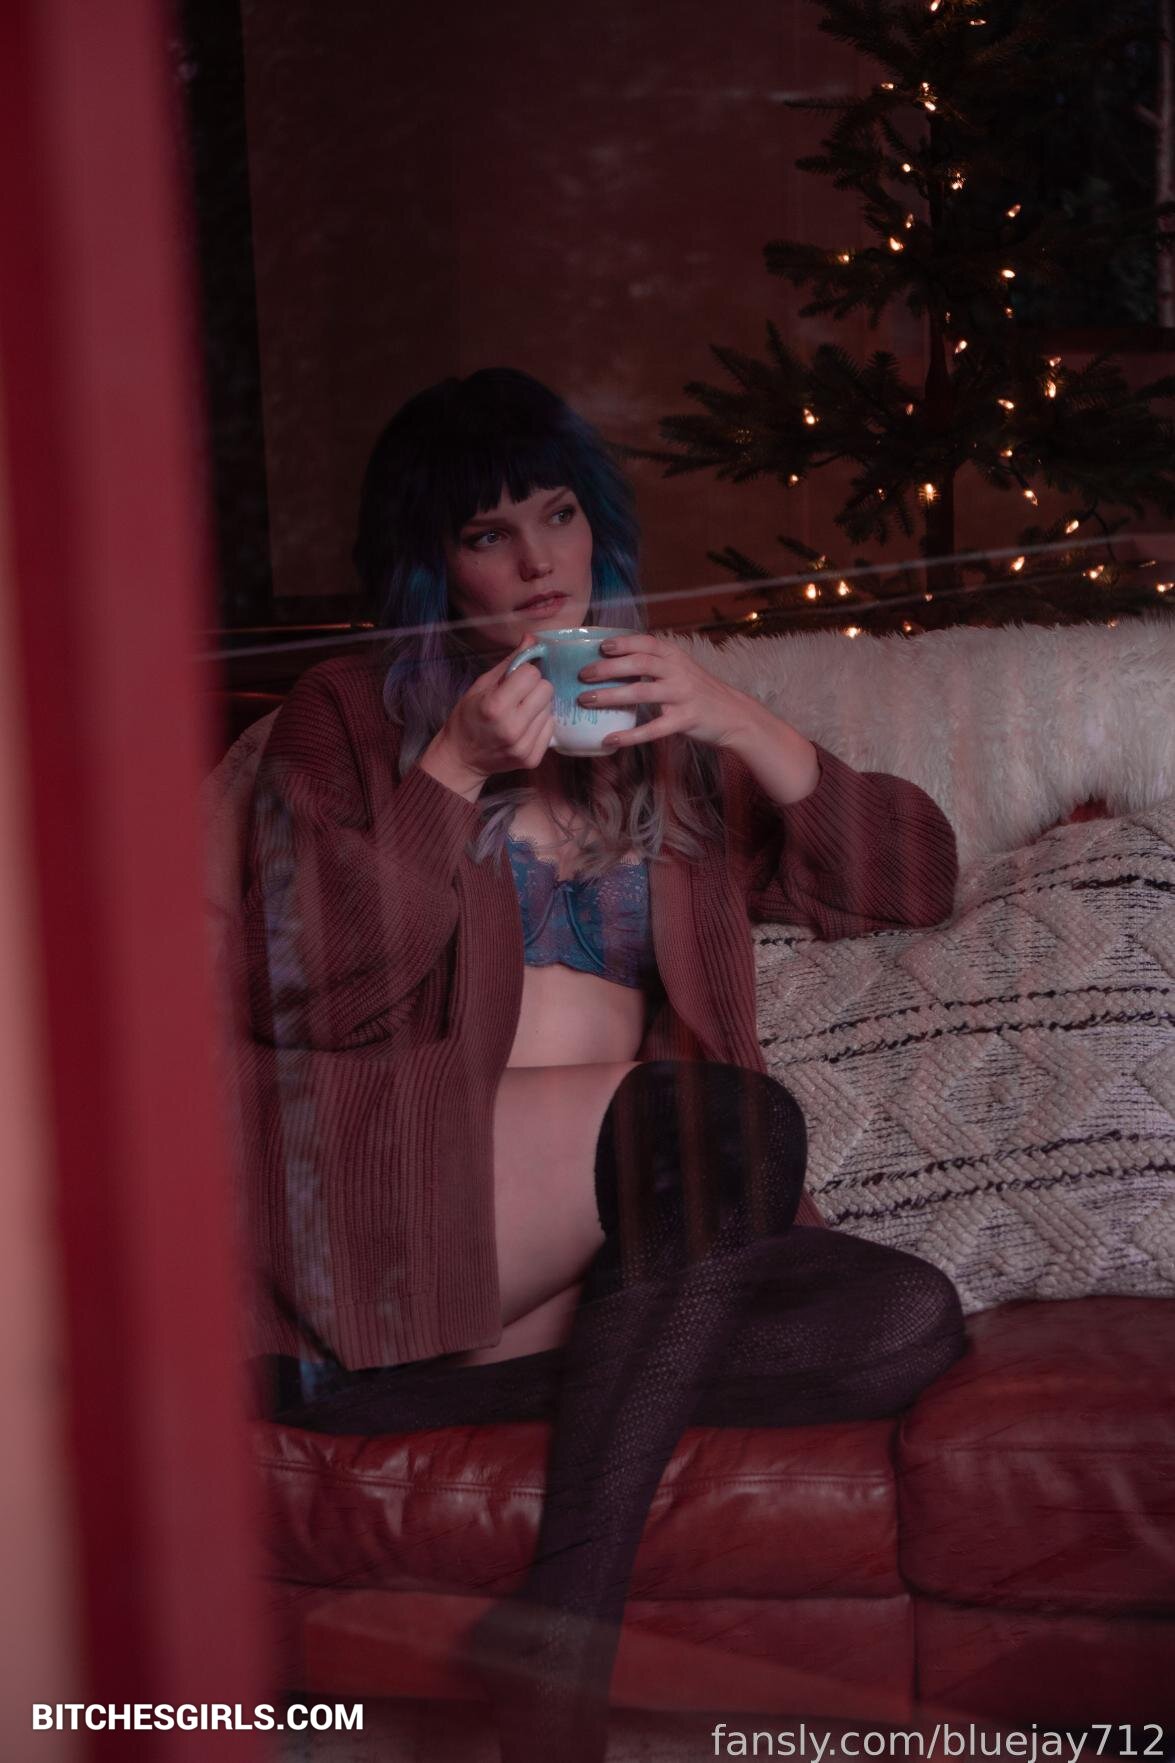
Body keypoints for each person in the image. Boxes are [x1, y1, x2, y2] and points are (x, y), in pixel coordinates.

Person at [237, 368, 966, 1763]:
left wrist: (741, 717)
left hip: (619, 1241)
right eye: (488, 533)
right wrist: (453, 771)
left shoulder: (663, 735)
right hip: (419, 1200)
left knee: (901, 1320)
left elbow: (909, 881)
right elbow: (306, 985)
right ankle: (565, 1633)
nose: (537, 561)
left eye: (559, 515)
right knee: (732, 1122)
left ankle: (379, 1398)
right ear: (432, 567)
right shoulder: (346, 718)